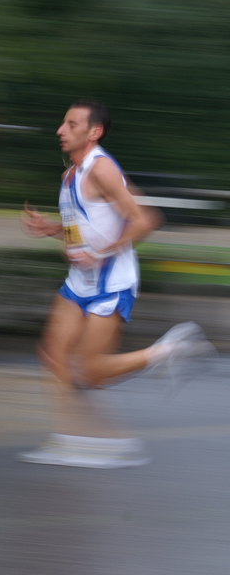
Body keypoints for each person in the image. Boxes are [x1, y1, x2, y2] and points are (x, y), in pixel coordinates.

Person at [19, 100, 216, 468]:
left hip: (111, 282)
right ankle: (75, 438)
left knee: (90, 373)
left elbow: (146, 219)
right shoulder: (70, 175)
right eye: (62, 123)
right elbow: (86, 223)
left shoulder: (102, 168)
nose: (61, 130)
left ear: (94, 132)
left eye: (71, 124)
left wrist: (103, 253)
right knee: (53, 356)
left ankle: (167, 351)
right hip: (80, 281)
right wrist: (51, 229)